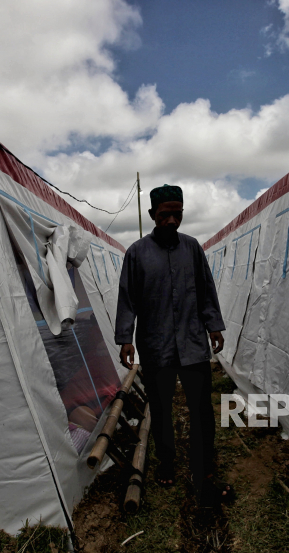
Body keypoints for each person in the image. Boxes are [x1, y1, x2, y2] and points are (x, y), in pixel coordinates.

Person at [115, 184, 233, 505]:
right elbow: (128, 298)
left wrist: (214, 326)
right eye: (164, 214)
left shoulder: (193, 248)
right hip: (156, 348)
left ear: (182, 213)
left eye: (176, 214)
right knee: (162, 410)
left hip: (193, 345)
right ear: (152, 215)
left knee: (201, 412)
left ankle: (204, 469)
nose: (170, 220)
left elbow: (206, 290)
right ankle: (167, 462)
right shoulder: (137, 253)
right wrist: (125, 337)